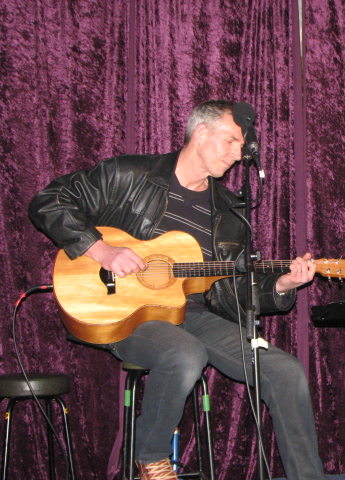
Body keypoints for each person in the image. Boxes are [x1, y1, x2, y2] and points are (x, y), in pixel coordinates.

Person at [29, 100, 328, 480]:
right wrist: (101, 250)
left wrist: (283, 284)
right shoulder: (130, 174)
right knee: (184, 354)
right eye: (231, 141)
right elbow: (48, 201)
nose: (238, 154)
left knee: (285, 371)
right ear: (200, 133)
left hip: (196, 315)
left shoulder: (230, 211)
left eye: (242, 147)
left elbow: (231, 291)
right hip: (125, 313)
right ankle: (151, 458)